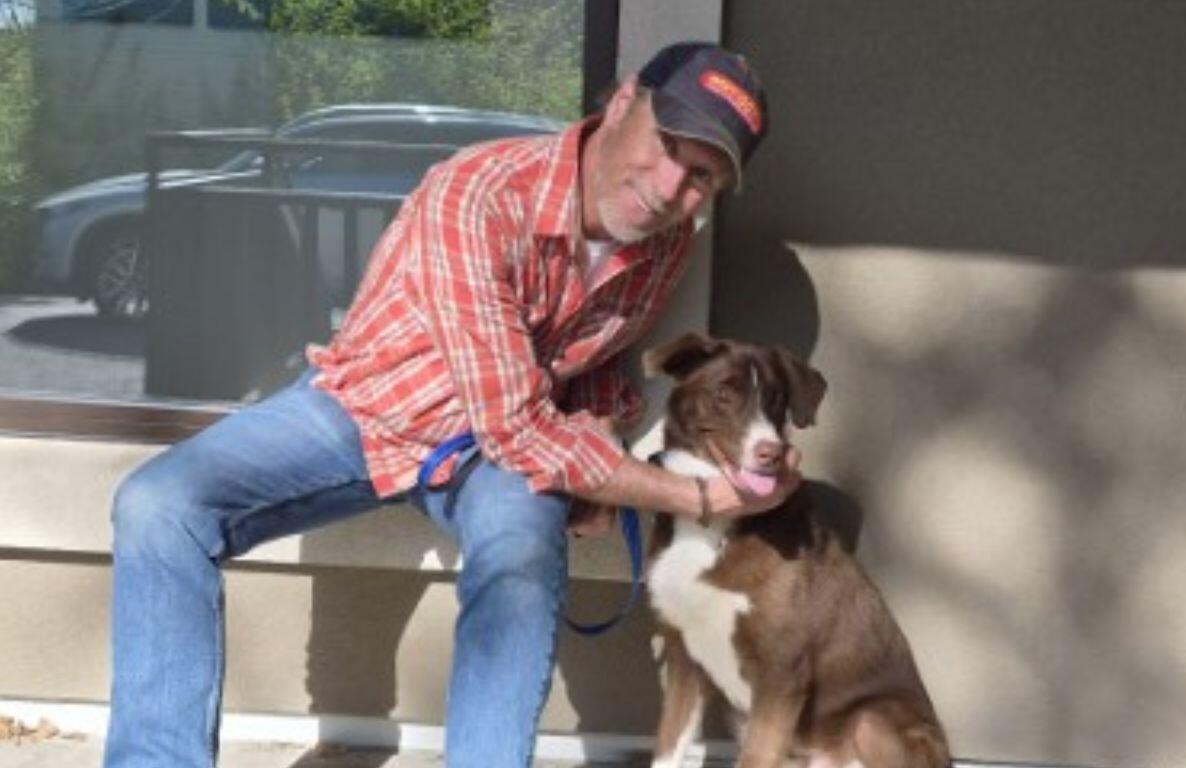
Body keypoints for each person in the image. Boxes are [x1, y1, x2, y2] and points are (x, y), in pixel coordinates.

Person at [103, 41, 796, 768]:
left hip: (489, 455)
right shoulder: (479, 192)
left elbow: (587, 363)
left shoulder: (666, 241)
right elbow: (521, 428)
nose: (669, 190)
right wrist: (694, 494)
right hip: (369, 409)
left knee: (520, 550)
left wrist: (596, 444)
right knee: (159, 502)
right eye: (667, 147)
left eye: (702, 179)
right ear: (623, 103)